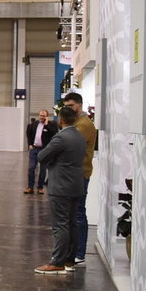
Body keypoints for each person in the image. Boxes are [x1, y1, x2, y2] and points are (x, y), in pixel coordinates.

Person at [33, 106, 88, 274]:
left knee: (60, 225)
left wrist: (54, 159)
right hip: (76, 185)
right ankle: (70, 260)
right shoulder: (79, 136)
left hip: (61, 186)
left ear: (60, 120)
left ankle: (57, 262)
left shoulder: (61, 137)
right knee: (72, 223)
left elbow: (41, 156)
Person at [62, 91, 98, 264]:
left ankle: (79, 253)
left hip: (79, 174)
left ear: (80, 105)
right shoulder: (78, 123)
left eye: (71, 106)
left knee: (78, 214)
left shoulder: (83, 125)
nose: (69, 109)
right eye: (66, 106)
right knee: (74, 213)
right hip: (76, 173)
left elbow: (70, 146)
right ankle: (74, 251)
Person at [24, 109, 56, 194]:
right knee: (31, 168)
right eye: (40, 115)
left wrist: (46, 125)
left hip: (44, 150)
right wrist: (30, 144)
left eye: (43, 116)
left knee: (43, 169)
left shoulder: (51, 125)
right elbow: (29, 134)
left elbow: (54, 134)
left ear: (47, 117)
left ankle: (40, 187)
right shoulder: (33, 124)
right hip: (34, 149)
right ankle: (30, 187)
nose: (42, 117)